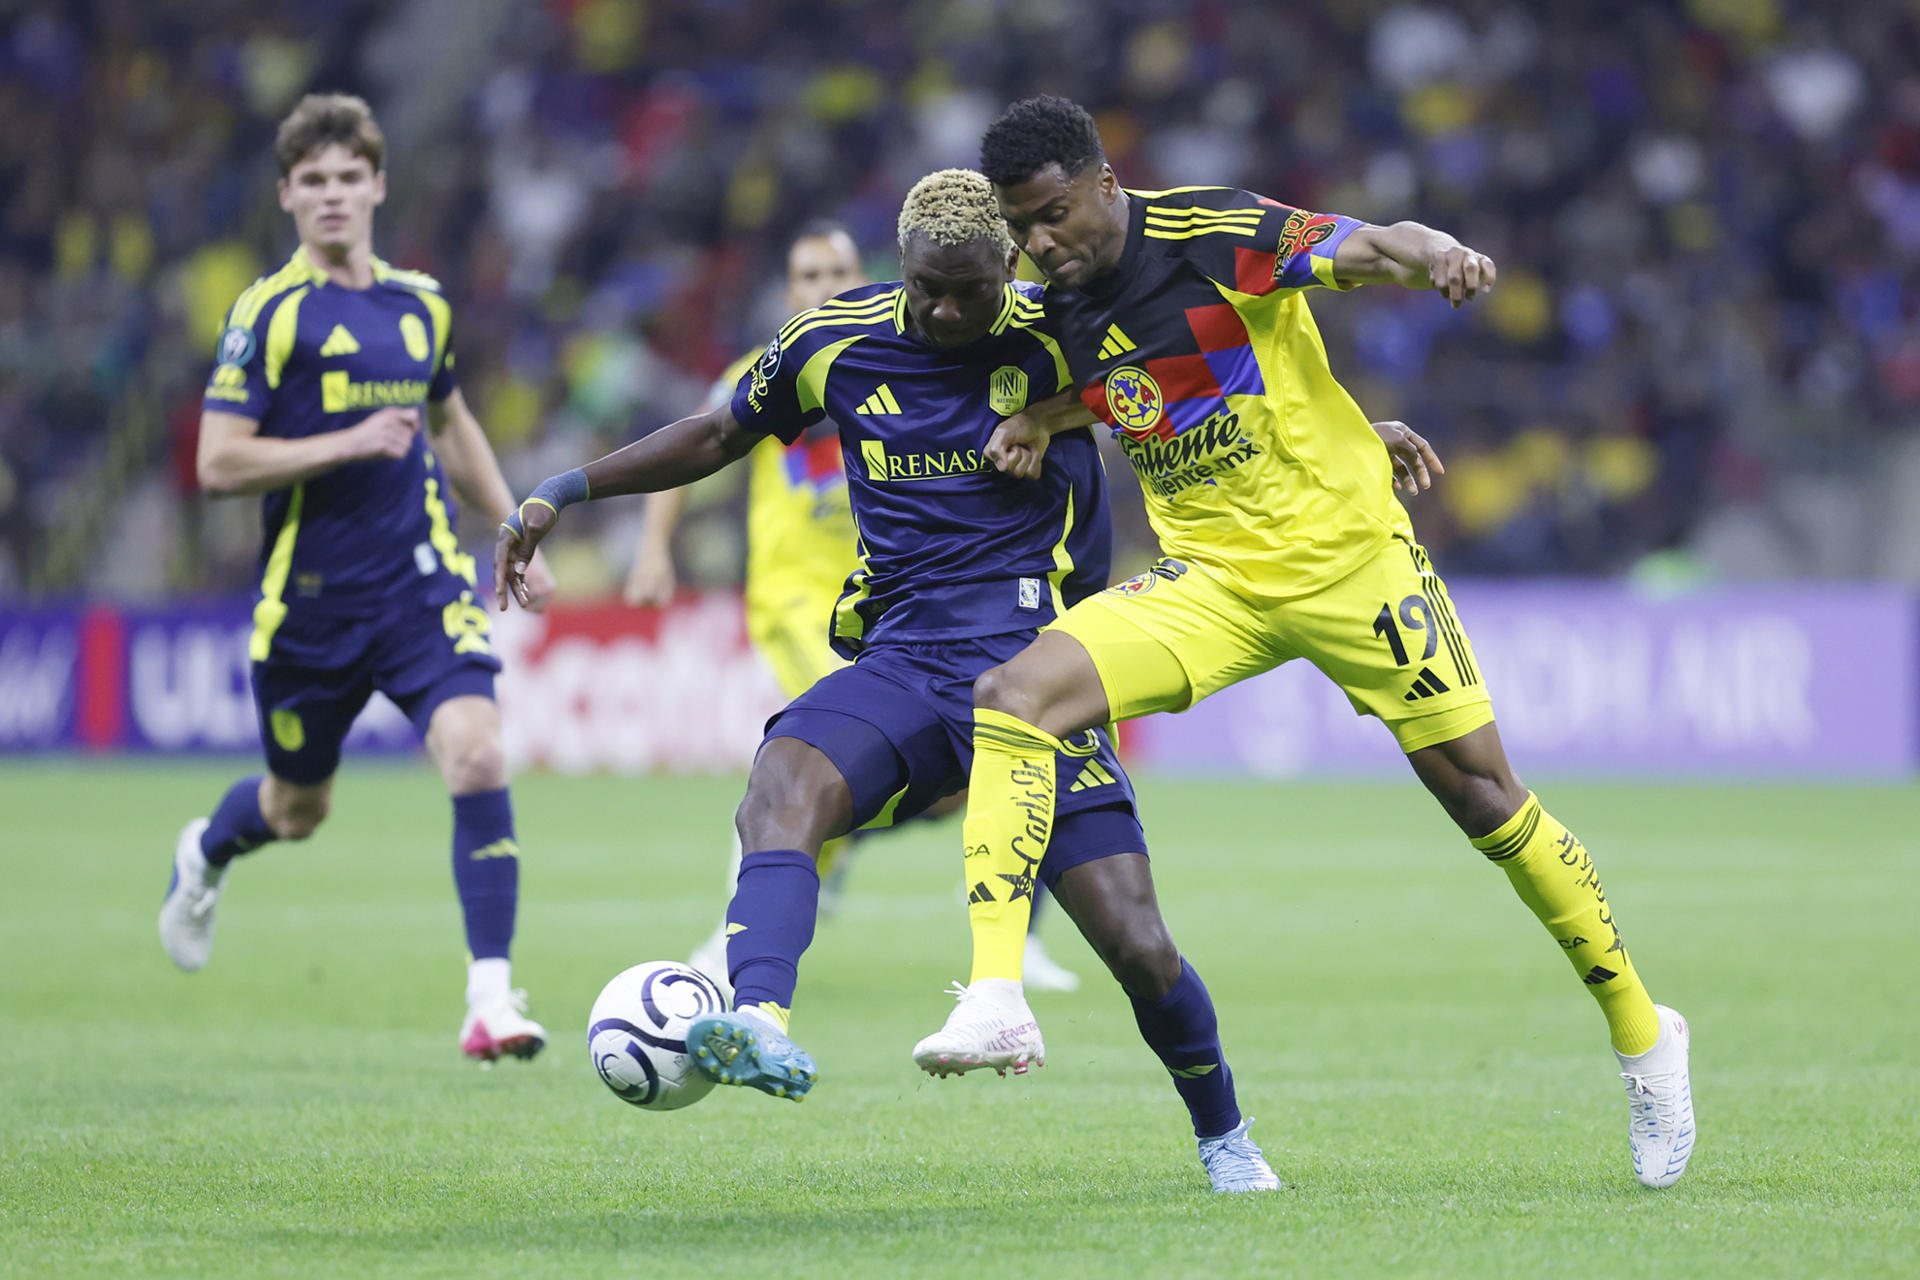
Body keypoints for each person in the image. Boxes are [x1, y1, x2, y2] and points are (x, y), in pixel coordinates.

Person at [924, 95, 1694, 1191]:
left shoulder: (1212, 232)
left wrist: (1438, 252)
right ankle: (998, 993)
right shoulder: (1056, 306)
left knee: (1484, 799)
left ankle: (1644, 1033)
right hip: (1213, 582)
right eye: (1021, 228)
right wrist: (1042, 417)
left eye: (1053, 215)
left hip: (1351, 563)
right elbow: (1129, 386)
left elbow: (1365, 246)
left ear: (1104, 182)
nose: (1041, 244)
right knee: (1013, 694)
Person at [157, 94, 556, 1064]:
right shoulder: (267, 314)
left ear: (378, 185)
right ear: (287, 196)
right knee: (298, 810)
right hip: (312, 607)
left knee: (477, 756)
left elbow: (452, 424)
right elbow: (217, 461)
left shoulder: (421, 305)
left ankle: (491, 998)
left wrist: (514, 527)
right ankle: (206, 849)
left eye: (348, 177)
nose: (332, 194)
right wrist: (344, 442)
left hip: (422, 587)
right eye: (313, 181)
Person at [625, 222, 1081, 995]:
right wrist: (651, 548)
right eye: (808, 275)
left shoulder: (904, 355)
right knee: (818, 750)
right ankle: (742, 931)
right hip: (799, 601)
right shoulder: (771, 368)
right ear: (788, 289)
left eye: (836, 271)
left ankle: (993, 926)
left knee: (978, 765)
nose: (824, 286)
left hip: (895, 603)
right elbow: (700, 447)